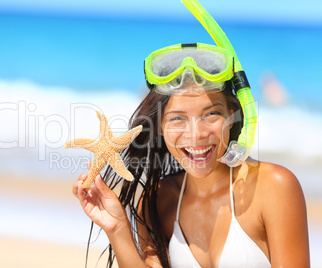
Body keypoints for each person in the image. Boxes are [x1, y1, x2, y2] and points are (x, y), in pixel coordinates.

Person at [72, 0, 310, 267]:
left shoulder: (273, 187)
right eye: (177, 119)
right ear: (159, 127)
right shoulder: (159, 200)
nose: (196, 135)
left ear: (234, 118)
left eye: (211, 114)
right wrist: (117, 228)